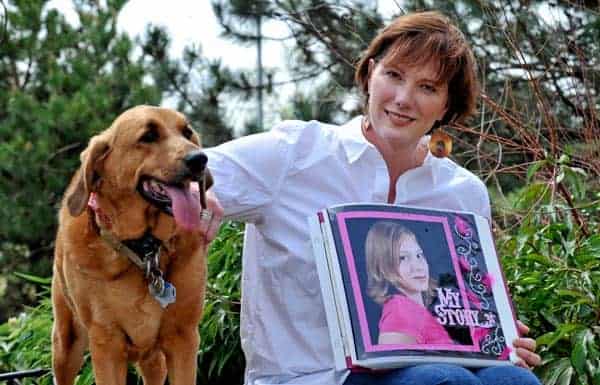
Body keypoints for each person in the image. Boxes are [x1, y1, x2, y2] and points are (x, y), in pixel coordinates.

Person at [199, 10, 542, 385]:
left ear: (446, 106)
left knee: (513, 380)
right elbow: (173, 170)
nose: (403, 99)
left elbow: (456, 310)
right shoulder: (294, 154)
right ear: (370, 74)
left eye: (427, 88)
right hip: (311, 377)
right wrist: (196, 193)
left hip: (429, 371)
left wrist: (494, 339)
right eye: (393, 76)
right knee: (440, 381)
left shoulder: (463, 193)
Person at [365, 221, 454, 345]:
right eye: (403, 258)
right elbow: (397, 361)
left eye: (419, 255)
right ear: (383, 266)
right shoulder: (400, 309)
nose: (418, 267)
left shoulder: (420, 308)